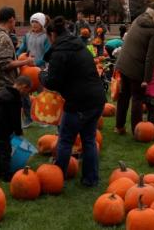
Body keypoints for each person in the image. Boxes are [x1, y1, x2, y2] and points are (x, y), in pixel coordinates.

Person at [40, 16, 105, 186]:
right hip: (96, 98)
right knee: (89, 140)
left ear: (53, 34)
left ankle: (57, 176)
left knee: (65, 140)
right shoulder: (79, 45)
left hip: (78, 102)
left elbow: (53, 82)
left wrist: (42, 76)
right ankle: (91, 179)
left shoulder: (60, 52)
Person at [114, 8, 154, 134]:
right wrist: (147, 79)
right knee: (137, 98)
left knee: (124, 96)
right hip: (136, 66)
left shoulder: (140, 19)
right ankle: (138, 130)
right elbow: (151, 57)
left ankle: (119, 127)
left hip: (123, 62)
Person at [0, 7, 35, 124]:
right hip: (6, 89)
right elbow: (5, 64)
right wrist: (26, 62)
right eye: (15, 20)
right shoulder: (3, 37)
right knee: (8, 126)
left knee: (3, 125)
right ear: (11, 19)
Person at [0, 76, 31, 182]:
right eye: (27, 91)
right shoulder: (15, 98)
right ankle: (7, 175)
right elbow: (15, 117)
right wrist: (18, 131)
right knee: (6, 152)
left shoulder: (4, 91)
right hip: (1, 129)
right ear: (23, 87)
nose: (26, 94)